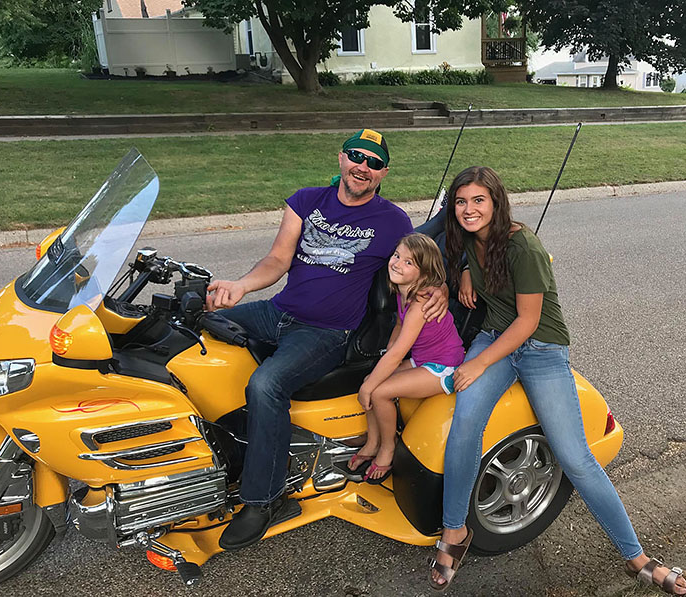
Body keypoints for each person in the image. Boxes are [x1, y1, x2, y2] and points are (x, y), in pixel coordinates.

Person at [428, 166, 686, 595]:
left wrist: (478, 364)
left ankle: (636, 557)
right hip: (495, 336)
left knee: (575, 457)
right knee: (464, 427)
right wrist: (466, 272)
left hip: (539, 350)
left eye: (479, 201)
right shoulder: (466, 239)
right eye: (461, 202)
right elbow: (459, 255)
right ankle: (455, 532)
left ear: (496, 202)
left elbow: (528, 322)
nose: (469, 209)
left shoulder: (522, 245)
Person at [205, 129, 447, 551]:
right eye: (357, 156)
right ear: (341, 158)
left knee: (266, 384)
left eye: (373, 163)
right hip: (276, 312)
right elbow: (279, 259)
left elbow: (422, 260)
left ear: (383, 173)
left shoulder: (392, 221)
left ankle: (265, 500)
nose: (363, 167)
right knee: (198, 323)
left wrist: (441, 286)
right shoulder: (306, 200)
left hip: (328, 333)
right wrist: (240, 287)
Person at [349, 233, 464, 484]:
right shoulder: (404, 292)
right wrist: (386, 354)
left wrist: (372, 382)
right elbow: (399, 327)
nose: (398, 263)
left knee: (378, 391)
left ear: (424, 273)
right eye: (397, 256)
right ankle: (372, 441)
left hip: (443, 368)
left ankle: (387, 448)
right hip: (424, 360)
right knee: (373, 378)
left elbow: (400, 352)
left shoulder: (419, 305)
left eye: (409, 262)